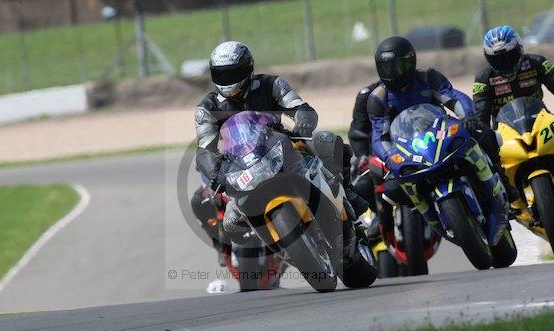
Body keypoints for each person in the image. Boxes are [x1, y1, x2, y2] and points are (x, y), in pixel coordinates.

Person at [192, 41, 367, 266]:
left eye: (232, 73)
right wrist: (215, 173)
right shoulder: (207, 107)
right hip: (241, 166)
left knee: (330, 142)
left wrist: (303, 121)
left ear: (247, 69)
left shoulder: (271, 84)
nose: (227, 80)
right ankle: (264, 246)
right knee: (230, 223)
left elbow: (300, 107)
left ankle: (348, 193)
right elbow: (205, 147)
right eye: (221, 74)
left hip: (282, 145)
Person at [367, 36, 518, 209]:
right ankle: (414, 216)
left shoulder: (427, 77)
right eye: (387, 67)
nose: (393, 72)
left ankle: (502, 182)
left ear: (411, 61)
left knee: (484, 136)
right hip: (407, 149)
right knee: (391, 189)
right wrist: (388, 157)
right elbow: (379, 136)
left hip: (440, 134)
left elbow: (454, 98)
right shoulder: (378, 98)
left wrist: (467, 117)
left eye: (398, 65)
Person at [473, 25, 554, 128]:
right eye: (497, 61)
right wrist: (484, 132)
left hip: (540, 123)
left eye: (511, 57)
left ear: (519, 48)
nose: (506, 64)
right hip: (504, 131)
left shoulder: (538, 63)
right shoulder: (484, 78)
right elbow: (481, 116)